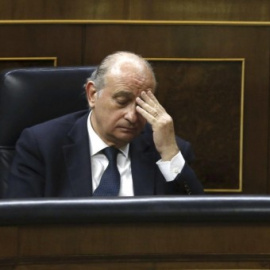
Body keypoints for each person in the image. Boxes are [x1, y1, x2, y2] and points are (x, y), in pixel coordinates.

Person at [5, 51, 204, 198]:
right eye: (122, 101)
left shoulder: (166, 150)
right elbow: (19, 225)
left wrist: (170, 153)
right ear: (92, 94)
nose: (132, 116)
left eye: (142, 104)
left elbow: (197, 221)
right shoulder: (42, 145)